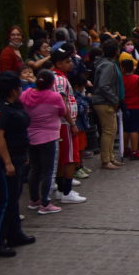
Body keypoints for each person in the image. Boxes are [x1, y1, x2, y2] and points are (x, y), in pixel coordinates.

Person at [0, 72, 36, 257]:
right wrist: (7, 162)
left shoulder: (15, 105)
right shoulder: (3, 109)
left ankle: (15, 233)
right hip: (8, 159)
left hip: (19, 155)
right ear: (14, 89)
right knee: (5, 199)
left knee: (14, 196)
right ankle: (1, 239)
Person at [21, 70, 65, 215]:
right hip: (48, 137)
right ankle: (45, 203)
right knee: (47, 170)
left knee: (34, 169)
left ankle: (34, 200)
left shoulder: (25, 94)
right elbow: (62, 112)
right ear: (52, 83)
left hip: (30, 136)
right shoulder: (55, 97)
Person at [51, 46, 86, 204]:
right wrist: (72, 123)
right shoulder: (59, 79)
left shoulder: (56, 76)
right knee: (71, 157)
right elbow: (62, 103)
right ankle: (66, 191)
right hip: (64, 124)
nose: (71, 63)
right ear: (58, 63)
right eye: (67, 61)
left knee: (63, 158)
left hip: (61, 123)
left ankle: (60, 189)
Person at [91, 39, 122, 170]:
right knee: (108, 131)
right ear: (115, 51)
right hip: (104, 101)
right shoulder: (108, 65)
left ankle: (110, 157)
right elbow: (104, 85)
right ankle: (106, 160)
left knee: (112, 130)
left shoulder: (106, 63)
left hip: (105, 100)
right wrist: (114, 99)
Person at [121, 58, 139, 160]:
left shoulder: (121, 79)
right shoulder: (138, 78)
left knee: (126, 129)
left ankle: (125, 148)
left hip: (125, 107)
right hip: (136, 106)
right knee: (135, 129)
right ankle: (135, 150)